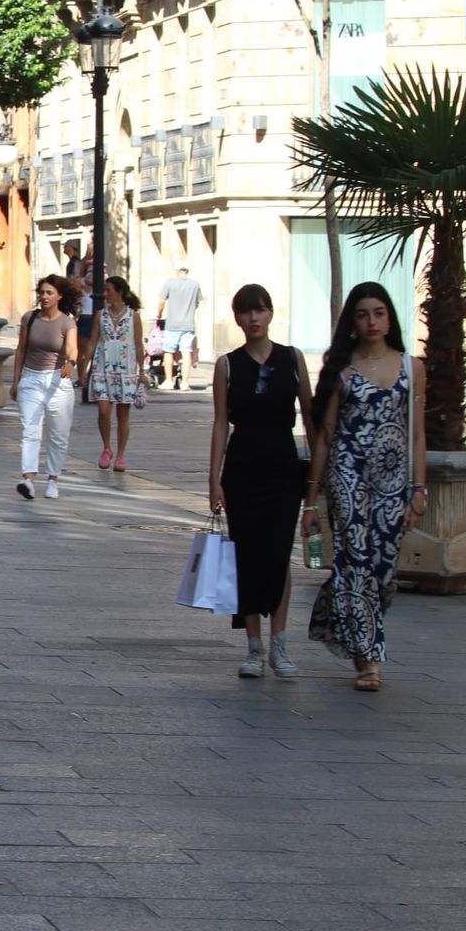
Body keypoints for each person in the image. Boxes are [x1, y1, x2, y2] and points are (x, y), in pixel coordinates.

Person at [303, 282, 427, 692]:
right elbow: (324, 436)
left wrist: (418, 489)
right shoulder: (343, 370)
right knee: (356, 561)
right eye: (362, 314)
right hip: (347, 475)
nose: (371, 321)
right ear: (352, 323)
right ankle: (369, 660)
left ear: (389, 318)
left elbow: (417, 434)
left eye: (378, 312)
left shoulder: (411, 367)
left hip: (393, 481)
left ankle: (333, 610)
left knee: (384, 572)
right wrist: (312, 499)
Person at [208, 284, 314, 679]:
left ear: (271, 314)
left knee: (279, 551)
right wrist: (213, 479)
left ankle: (280, 642)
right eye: (246, 312)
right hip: (242, 468)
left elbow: (309, 414)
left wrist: (318, 475)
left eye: (261, 310)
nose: (254, 318)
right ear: (237, 317)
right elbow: (220, 423)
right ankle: (254, 646)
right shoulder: (227, 365)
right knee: (247, 554)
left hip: (283, 467)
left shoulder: (292, 359)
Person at [8, 275, 80, 500]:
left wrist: (70, 362)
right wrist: (16, 380)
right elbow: (20, 350)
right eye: (41, 293)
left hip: (57, 381)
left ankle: (53, 479)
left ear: (59, 296)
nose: (44, 297)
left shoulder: (67, 322)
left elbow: (72, 349)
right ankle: (28, 479)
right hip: (31, 379)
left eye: (49, 293)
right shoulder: (29, 318)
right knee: (30, 430)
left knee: (58, 434)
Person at [88, 276, 145, 472]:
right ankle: (106, 447)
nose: (105, 293)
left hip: (125, 369)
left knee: (123, 414)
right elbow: (92, 342)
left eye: (109, 290)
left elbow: (138, 345)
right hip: (102, 368)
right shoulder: (100, 315)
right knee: (103, 410)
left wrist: (142, 371)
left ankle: (120, 455)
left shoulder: (133, 317)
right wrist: (84, 367)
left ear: (119, 291)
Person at [156, 267, 204, 390]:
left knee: (168, 351)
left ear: (177, 271)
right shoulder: (195, 285)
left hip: (172, 323)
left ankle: (168, 381)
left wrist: (159, 314)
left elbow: (161, 301)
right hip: (188, 324)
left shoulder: (170, 283)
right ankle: (185, 382)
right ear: (187, 271)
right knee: (186, 351)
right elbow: (198, 303)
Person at [65, 241, 98, 395]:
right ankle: (86, 377)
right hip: (92, 313)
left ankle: (83, 377)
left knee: (81, 349)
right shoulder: (99, 274)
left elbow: (76, 286)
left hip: (86, 315)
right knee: (91, 349)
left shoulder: (83, 278)